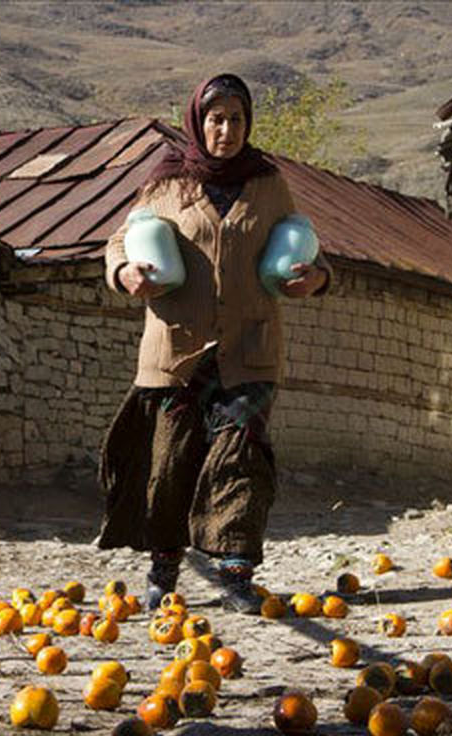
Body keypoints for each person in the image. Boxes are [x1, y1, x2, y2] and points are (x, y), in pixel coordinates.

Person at [98, 74, 331, 614]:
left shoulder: (268, 183)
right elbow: (119, 241)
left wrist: (315, 278)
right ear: (198, 122)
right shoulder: (166, 184)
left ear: (249, 124)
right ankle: (163, 567)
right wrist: (124, 272)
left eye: (237, 120)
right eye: (216, 119)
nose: (226, 130)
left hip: (250, 347)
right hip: (175, 350)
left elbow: (306, 243)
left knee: (240, 456)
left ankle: (236, 573)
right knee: (171, 461)